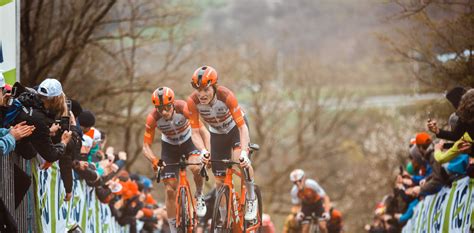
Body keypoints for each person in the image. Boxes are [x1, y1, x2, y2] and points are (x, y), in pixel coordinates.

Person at [187, 66, 258, 220]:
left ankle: (252, 197)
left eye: (206, 89)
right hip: (217, 134)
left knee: (240, 159)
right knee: (219, 181)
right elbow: (194, 132)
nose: (202, 94)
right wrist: (204, 151)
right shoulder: (192, 102)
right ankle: (224, 220)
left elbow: (242, 127)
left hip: (235, 130)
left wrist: (245, 152)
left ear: (214, 86)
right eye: (198, 90)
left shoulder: (226, 96)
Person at [142, 87, 208, 233]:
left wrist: (206, 151)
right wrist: (154, 160)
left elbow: (201, 129)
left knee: (196, 167)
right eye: (160, 109)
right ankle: (173, 228)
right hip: (169, 147)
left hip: (189, 141)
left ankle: (199, 194)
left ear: (172, 104)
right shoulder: (152, 118)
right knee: (170, 189)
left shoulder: (183, 107)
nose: (164, 112)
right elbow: (145, 146)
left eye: (167, 107)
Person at [290, 169, 331, 233]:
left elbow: (325, 197)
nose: (298, 184)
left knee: (322, 227)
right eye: (295, 182)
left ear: (304, 178)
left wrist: (327, 212)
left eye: (300, 181)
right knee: (305, 229)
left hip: (318, 204)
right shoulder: (294, 191)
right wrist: (298, 213)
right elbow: (296, 205)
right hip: (306, 206)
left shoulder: (312, 184)